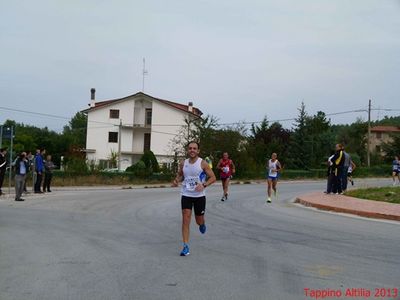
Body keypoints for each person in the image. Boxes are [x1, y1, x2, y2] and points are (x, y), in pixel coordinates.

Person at [172, 141, 216, 256]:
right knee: (185, 219)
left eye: (194, 148)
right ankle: (185, 246)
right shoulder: (183, 163)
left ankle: (202, 224)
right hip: (186, 194)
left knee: (198, 220)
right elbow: (180, 175)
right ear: (187, 150)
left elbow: (213, 177)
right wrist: (176, 180)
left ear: (198, 151)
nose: (192, 150)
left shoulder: (203, 163)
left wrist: (204, 185)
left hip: (199, 196)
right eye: (190, 148)